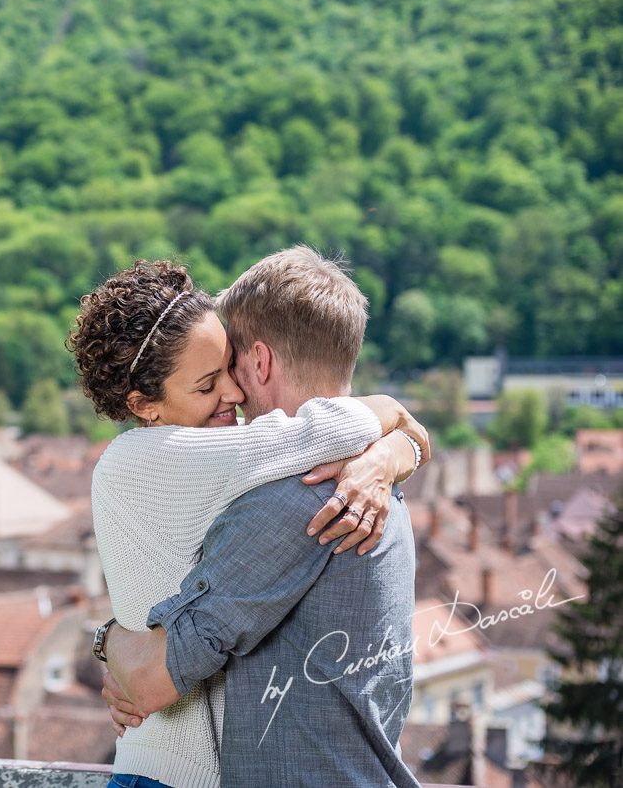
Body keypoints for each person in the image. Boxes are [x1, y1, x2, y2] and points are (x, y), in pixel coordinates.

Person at [95, 248, 424, 788]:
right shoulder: (378, 491)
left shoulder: (297, 500)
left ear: (261, 362)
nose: (232, 393)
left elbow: (154, 678)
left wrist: (110, 641)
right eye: (210, 380)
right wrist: (398, 443)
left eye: (231, 368)